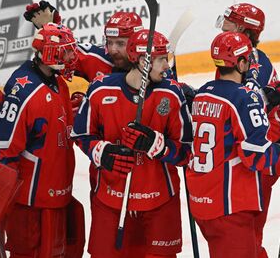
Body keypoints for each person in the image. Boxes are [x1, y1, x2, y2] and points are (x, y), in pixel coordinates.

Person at [186, 31, 280, 258]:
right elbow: (256, 156)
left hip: (202, 205)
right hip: (230, 206)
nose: (251, 65)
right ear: (240, 63)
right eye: (248, 60)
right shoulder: (245, 98)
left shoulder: (202, 93)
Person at [71, 29, 193, 258]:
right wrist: (102, 151)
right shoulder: (100, 89)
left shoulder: (172, 94)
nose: (167, 66)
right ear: (143, 61)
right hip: (110, 199)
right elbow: (81, 134)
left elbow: (186, 152)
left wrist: (158, 146)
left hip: (160, 200)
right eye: (161, 60)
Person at [0, 23, 84, 257]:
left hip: (56, 195)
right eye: (64, 52)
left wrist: (76, 112)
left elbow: (55, 124)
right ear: (49, 55)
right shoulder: (24, 91)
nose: (70, 57)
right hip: (31, 206)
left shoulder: (56, 82)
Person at [215, 3, 280, 257]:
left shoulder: (252, 63)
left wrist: (273, 96)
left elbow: (248, 106)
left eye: (228, 22)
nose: (222, 27)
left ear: (241, 28)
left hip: (260, 155)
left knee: (248, 233)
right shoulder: (238, 57)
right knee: (241, 232)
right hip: (251, 153)